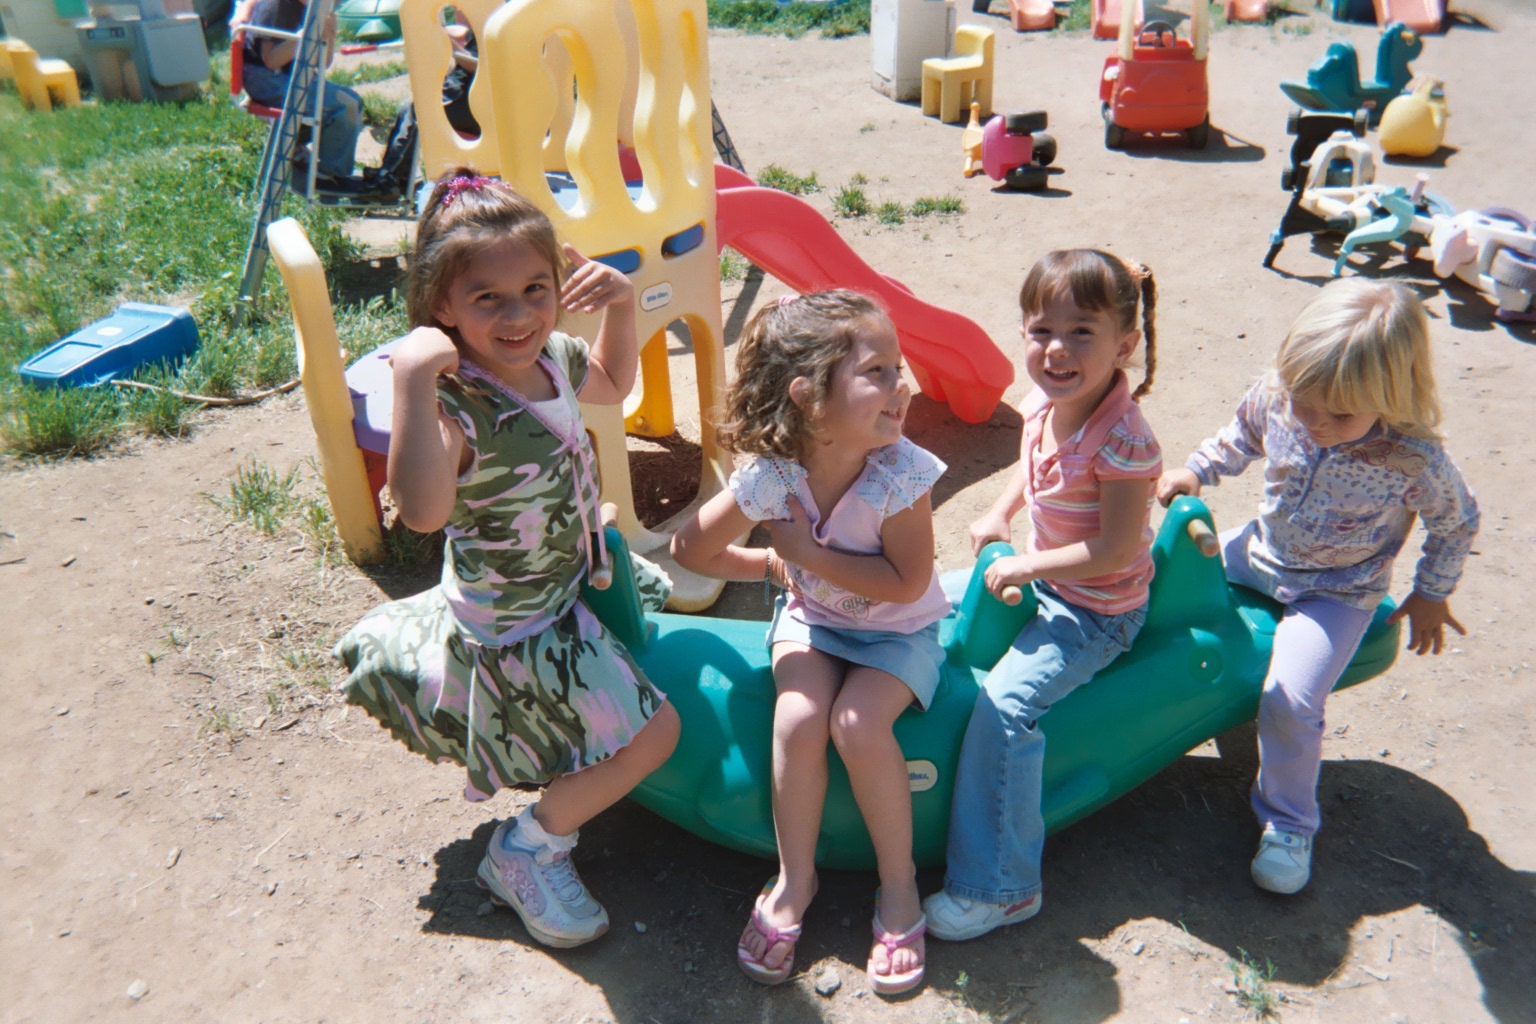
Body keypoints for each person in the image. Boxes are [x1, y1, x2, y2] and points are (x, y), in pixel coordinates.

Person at [334, 170, 681, 948]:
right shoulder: (455, 403)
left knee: (636, 613)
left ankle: (563, 762)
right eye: (487, 298)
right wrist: (415, 383)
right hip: (519, 622)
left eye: (535, 287)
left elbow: (614, 384)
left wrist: (622, 303)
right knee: (657, 736)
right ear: (441, 309)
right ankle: (526, 848)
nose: (518, 313)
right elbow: (422, 512)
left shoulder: (555, 354)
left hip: (564, 573)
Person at [1157, 278, 1479, 895]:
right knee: (1156, 581)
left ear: (1391, 394)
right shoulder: (1281, 395)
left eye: (1340, 414)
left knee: (1289, 700)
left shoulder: (1413, 459)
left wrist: (1432, 590)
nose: (1317, 422)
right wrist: (1197, 470)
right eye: (1307, 403)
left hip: (1336, 590)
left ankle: (1288, 822)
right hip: (1259, 552)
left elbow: (1458, 520)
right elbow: (1241, 435)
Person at [670, 290, 951, 995]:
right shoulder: (776, 473)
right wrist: (771, 564)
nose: (903, 386)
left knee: (857, 724)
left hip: (897, 632)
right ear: (809, 396)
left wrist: (806, 556)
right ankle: (795, 881)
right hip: (815, 621)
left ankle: (899, 886)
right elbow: (691, 549)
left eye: (898, 367)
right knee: (798, 716)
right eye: (879, 371)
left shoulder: (900, 473)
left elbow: (909, 582)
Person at [922, 249, 1163, 941]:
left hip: (1096, 610)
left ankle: (1001, 887)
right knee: (927, 604)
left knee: (1005, 707)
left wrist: (1028, 563)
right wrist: (1001, 512)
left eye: (1081, 332)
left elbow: (1116, 549)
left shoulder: (1124, 440)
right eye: (1040, 330)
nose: (1056, 350)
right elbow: (1032, 468)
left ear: (1125, 344)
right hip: (1046, 576)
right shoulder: (1046, 400)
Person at [237, 0, 367, 192]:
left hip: (292, 76)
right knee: (345, 106)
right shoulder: (273, 6)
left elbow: (323, 62)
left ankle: (305, 156)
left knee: (353, 102)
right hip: (266, 81)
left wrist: (328, 37)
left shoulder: (313, 9)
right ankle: (328, 177)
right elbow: (271, 60)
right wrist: (304, 37)